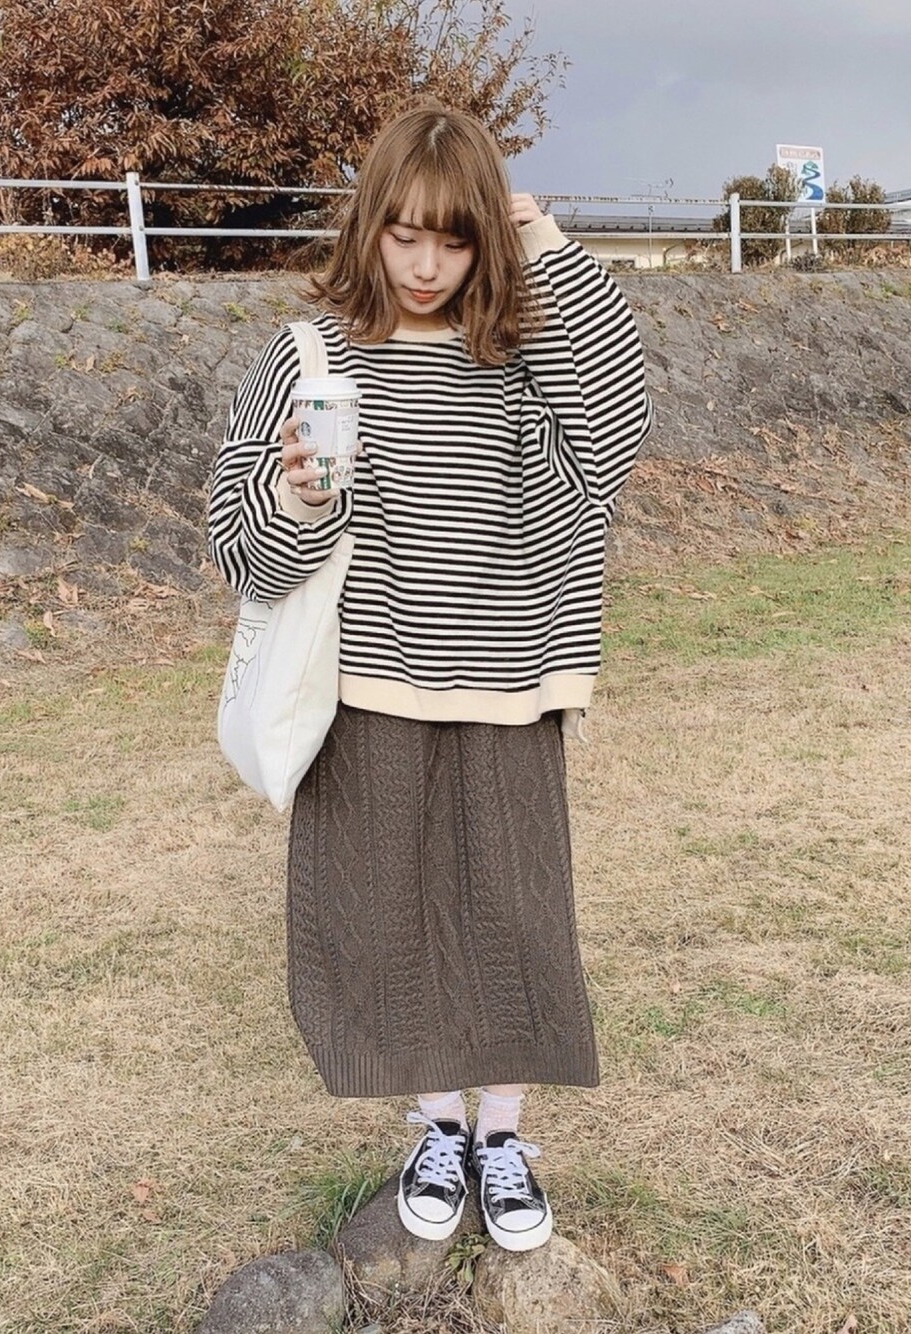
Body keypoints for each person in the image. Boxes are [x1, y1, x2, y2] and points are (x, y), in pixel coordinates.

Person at [207, 103, 653, 1253]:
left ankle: (502, 1136)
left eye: (453, 240)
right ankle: (437, 1127)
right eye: (402, 233)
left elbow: (615, 431)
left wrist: (543, 244)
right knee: (386, 925)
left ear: (484, 240)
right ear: (367, 224)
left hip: (509, 683)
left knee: (514, 921)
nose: (422, 265)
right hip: (364, 692)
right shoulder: (308, 356)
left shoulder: (520, 356)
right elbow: (241, 551)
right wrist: (301, 499)